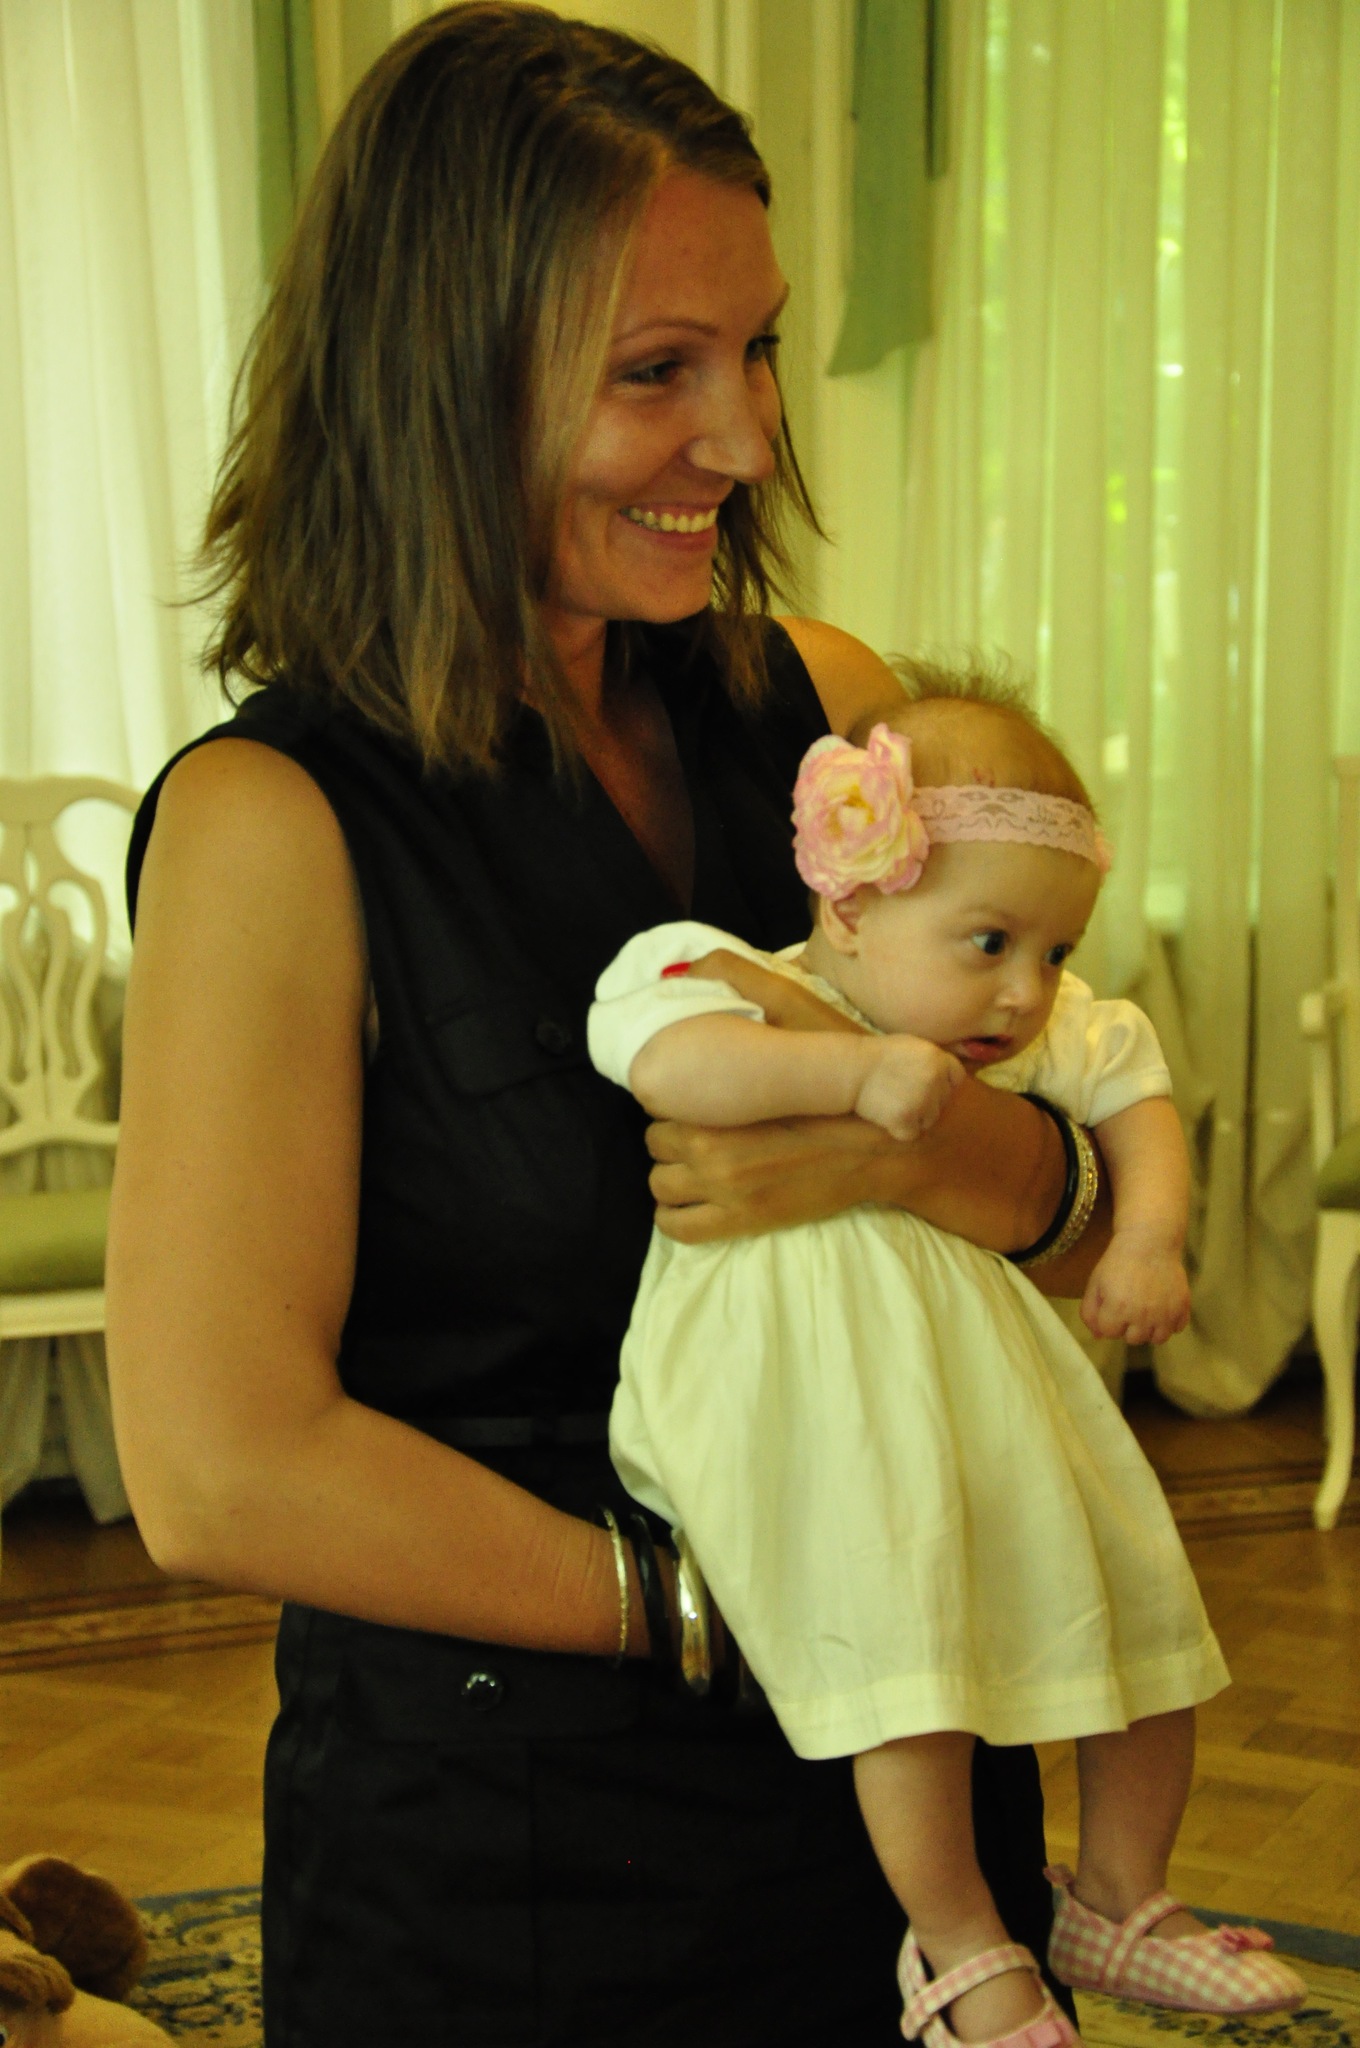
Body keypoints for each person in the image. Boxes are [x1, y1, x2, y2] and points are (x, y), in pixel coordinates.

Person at [108, 8, 1118, 2043]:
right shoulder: (272, 824)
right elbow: (220, 1466)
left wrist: (941, 1146)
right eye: (657, 371)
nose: (743, 439)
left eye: (757, 349)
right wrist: (701, 1601)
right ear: (438, 375)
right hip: (518, 1860)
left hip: (911, 1820)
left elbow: (1082, 1215)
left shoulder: (825, 714)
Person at [587, 677, 1308, 2048]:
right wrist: (854, 1077)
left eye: (1055, 948)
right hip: (813, 1409)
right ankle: (960, 1944)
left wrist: (1149, 1240)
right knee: (903, 1672)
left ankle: (1120, 1893)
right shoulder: (730, 977)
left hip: (990, 1398)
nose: (1027, 990)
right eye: (990, 941)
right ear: (853, 901)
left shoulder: (1035, 1022)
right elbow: (666, 1069)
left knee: (1145, 1617)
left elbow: (1136, 1098)